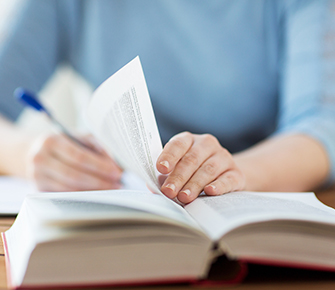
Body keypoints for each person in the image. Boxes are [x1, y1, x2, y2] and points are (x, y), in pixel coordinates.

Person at [0, 0, 334, 204]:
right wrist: (28, 155)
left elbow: (322, 124)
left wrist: (232, 174)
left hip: (248, 199)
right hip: (118, 205)